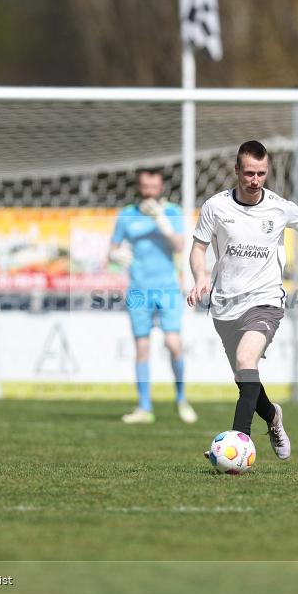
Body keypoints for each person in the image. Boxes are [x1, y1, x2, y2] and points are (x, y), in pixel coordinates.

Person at [187, 140, 298, 460]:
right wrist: (200, 277)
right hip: (225, 305)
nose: (255, 180)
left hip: (266, 300)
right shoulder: (215, 207)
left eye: (261, 173)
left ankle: (237, 444)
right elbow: (198, 248)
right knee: (245, 377)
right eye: (248, 173)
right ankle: (273, 417)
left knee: (247, 360)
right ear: (236, 171)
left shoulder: (280, 206)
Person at [109, 168, 198, 424]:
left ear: (161, 188)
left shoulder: (172, 212)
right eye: (145, 186)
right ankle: (144, 407)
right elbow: (112, 250)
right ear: (140, 187)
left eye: (154, 187)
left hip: (168, 288)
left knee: (173, 344)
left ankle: (181, 399)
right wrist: (116, 256)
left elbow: (181, 246)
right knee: (142, 348)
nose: (150, 191)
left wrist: (163, 223)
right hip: (138, 289)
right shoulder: (127, 214)